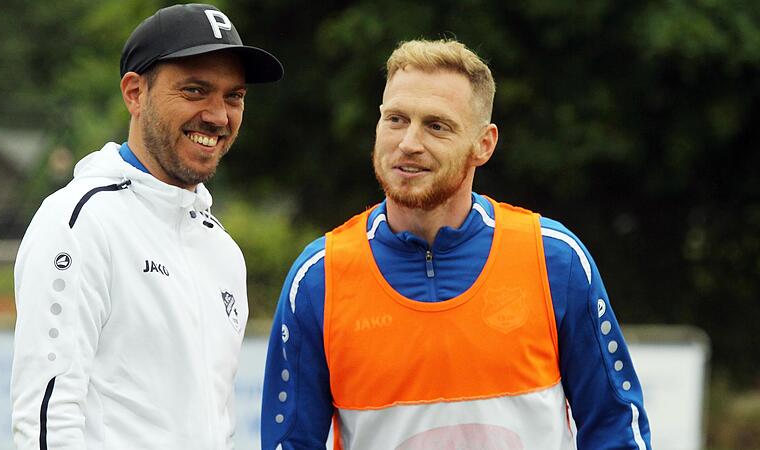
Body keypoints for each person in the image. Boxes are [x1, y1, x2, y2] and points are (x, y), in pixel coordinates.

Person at [261, 39, 651, 449]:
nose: (409, 142)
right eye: (395, 119)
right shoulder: (319, 278)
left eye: (436, 125)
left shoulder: (554, 259)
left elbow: (616, 427)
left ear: (484, 143)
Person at [10, 4, 283, 449]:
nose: (218, 115)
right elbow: (46, 427)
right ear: (135, 93)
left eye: (234, 96)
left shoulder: (223, 250)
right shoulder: (79, 224)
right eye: (195, 91)